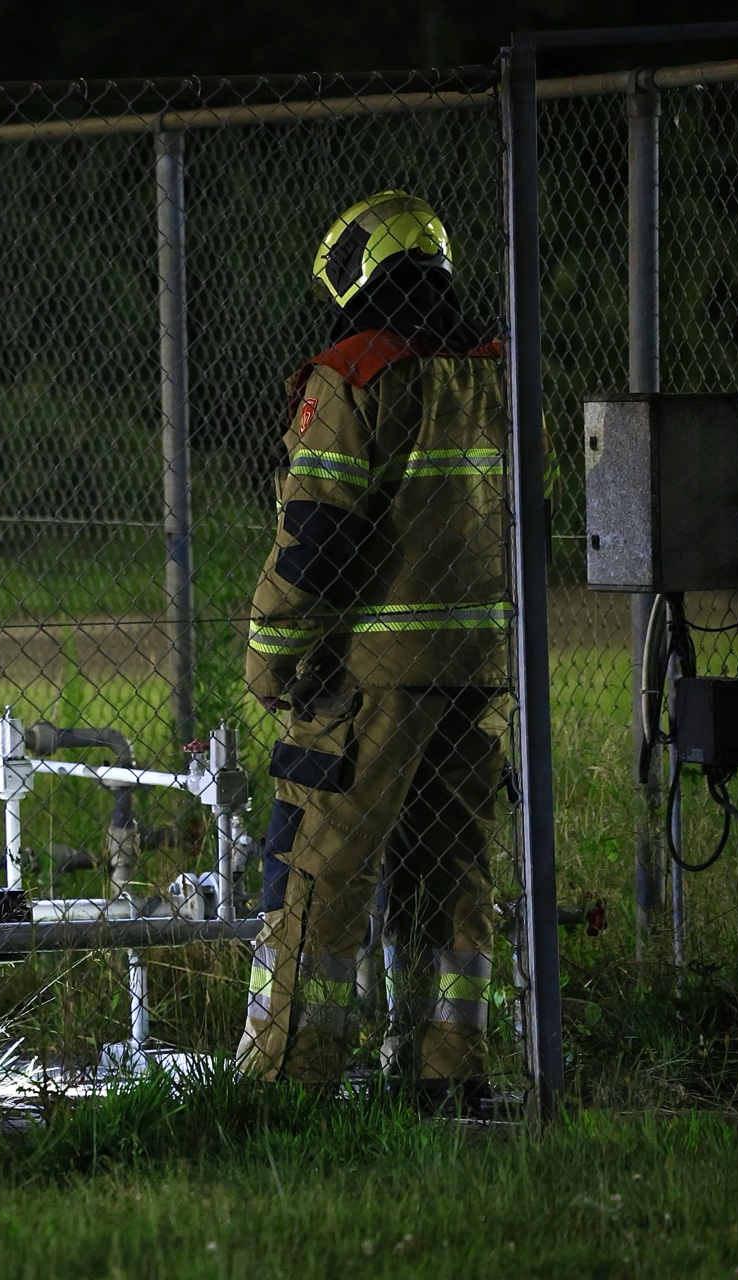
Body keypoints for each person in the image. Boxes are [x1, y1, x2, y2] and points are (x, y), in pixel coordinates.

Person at [236, 192, 509, 1116]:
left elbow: (318, 532)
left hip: (369, 685)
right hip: (476, 673)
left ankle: (291, 1081)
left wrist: (272, 656)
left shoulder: (355, 373)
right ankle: (450, 1073)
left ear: (357, 271)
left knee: (322, 873)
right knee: (455, 875)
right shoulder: (496, 373)